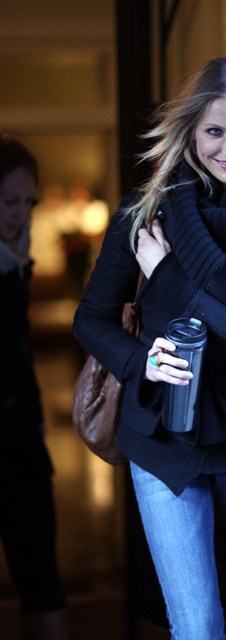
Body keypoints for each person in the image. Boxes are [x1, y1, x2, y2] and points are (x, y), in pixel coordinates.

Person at [74, 55, 226, 640]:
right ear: (189, 131)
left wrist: (169, 279)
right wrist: (142, 362)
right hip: (163, 441)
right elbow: (91, 320)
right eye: (215, 130)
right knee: (196, 628)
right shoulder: (142, 213)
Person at [0, 135, 68, 639]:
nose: (20, 213)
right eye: (9, 201)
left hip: (22, 444)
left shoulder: (14, 262)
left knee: (42, 577)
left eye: (28, 202)